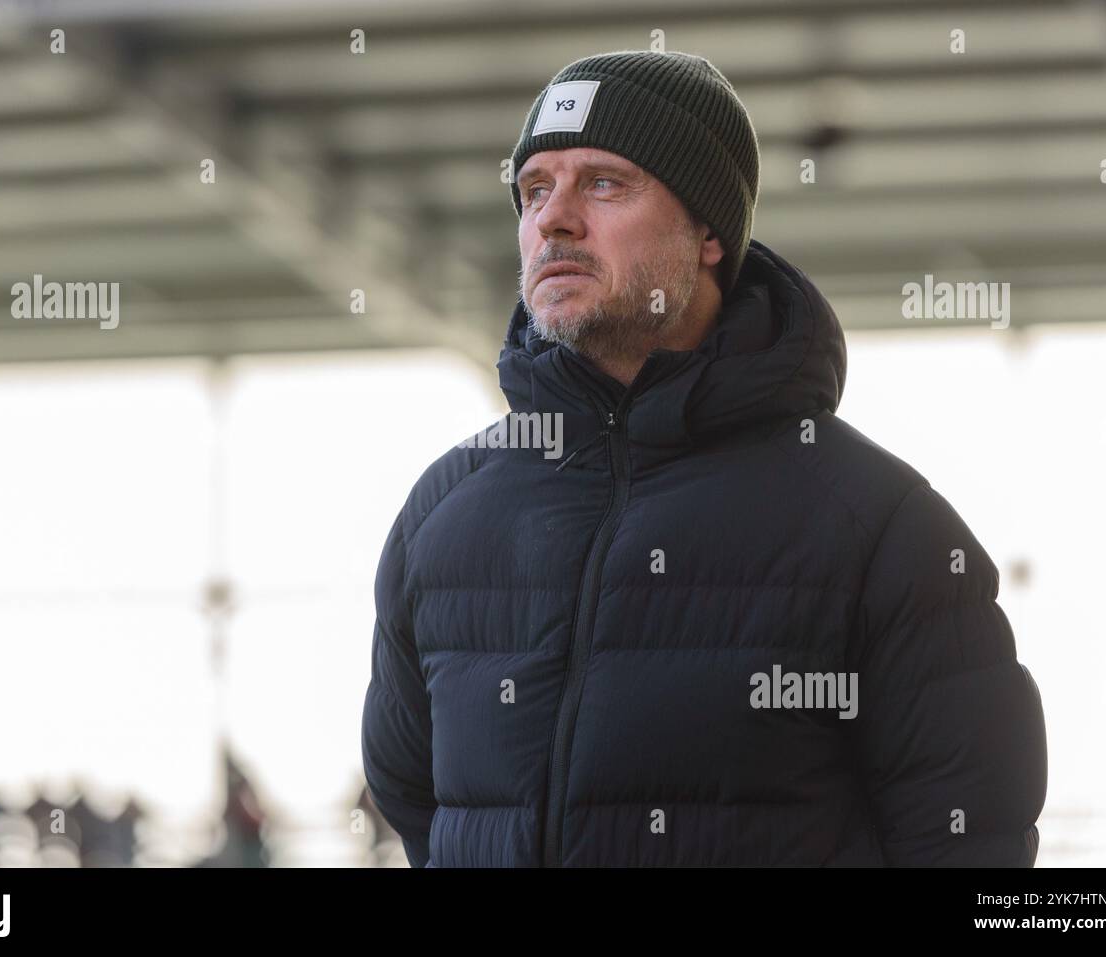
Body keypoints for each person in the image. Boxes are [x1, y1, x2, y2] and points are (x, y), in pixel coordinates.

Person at [361, 50, 1047, 867]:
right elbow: (416, 800)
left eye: (605, 183)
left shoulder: (881, 528)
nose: (554, 219)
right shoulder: (444, 512)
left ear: (709, 232)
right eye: (535, 188)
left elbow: (970, 840)